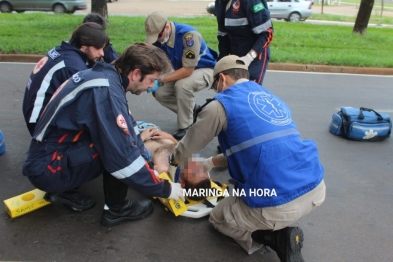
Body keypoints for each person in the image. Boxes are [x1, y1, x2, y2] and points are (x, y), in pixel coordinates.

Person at [169, 55, 325, 261]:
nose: (216, 91)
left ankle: (276, 237)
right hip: (314, 188)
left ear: (222, 79)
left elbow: (189, 144)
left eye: (215, 85)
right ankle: (273, 223)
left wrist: (172, 163)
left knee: (218, 218)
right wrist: (209, 163)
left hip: (277, 203)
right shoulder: (270, 97)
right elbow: (253, 146)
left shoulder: (219, 106)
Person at [22, 43, 185, 227]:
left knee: (121, 140)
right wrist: (165, 188)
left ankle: (66, 190)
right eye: (151, 80)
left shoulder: (104, 76)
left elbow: (128, 124)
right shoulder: (106, 91)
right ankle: (118, 209)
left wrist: (147, 163)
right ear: (136, 73)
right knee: (117, 149)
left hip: (47, 158)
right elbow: (124, 155)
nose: (151, 86)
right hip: (49, 169)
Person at [22, 22, 109, 136]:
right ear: (84, 45)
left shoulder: (64, 51)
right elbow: (88, 103)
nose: (102, 53)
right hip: (40, 124)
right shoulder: (73, 66)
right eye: (98, 48)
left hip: (34, 115)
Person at [144, 11, 218, 140]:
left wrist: (160, 81)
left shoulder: (189, 36)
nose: (157, 40)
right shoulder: (161, 38)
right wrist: (149, 79)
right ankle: (194, 110)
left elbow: (188, 70)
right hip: (184, 70)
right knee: (160, 92)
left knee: (182, 85)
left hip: (207, 69)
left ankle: (187, 126)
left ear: (167, 27)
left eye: (158, 35)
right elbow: (156, 62)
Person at [214, 0, 274, 85]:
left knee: (249, 90)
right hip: (235, 52)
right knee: (232, 90)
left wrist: (249, 57)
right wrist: (221, 62)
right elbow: (223, 35)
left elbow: (266, 34)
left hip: (255, 53)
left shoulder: (251, 2)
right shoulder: (220, 3)